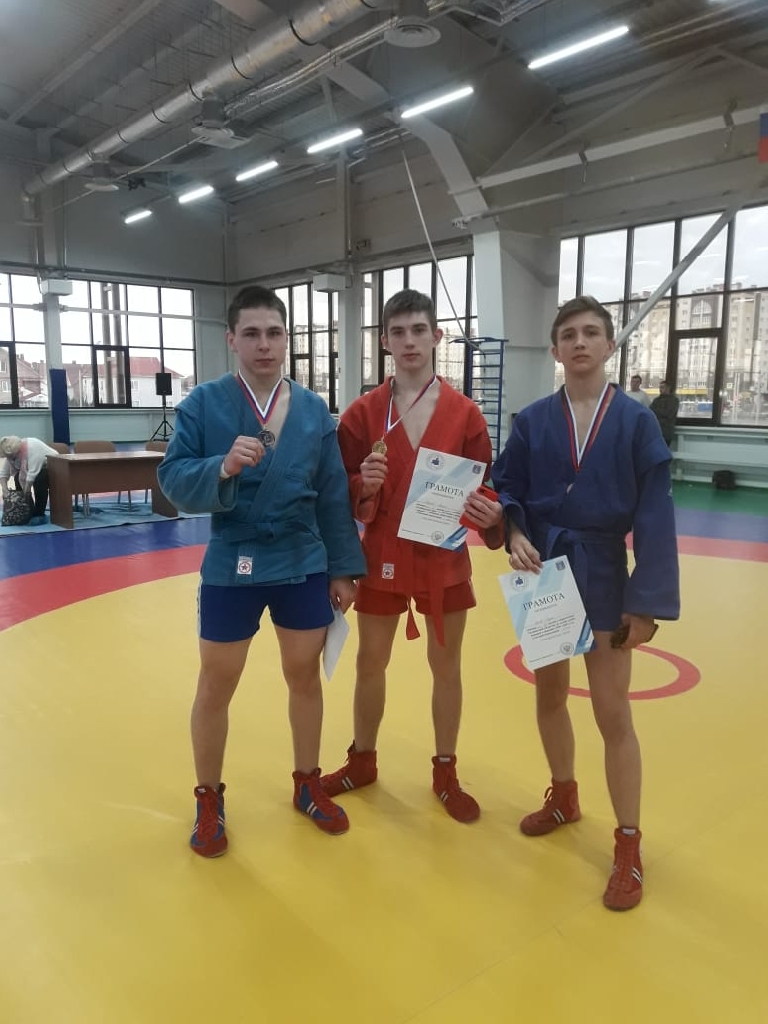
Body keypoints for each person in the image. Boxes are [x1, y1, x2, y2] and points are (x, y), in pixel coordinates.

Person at [157, 285, 367, 857]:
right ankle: (208, 797)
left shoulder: (313, 409)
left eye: (274, 333)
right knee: (216, 681)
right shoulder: (204, 403)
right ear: (232, 339)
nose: (264, 345)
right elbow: (171, 479)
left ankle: (307, 783)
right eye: (251, 333)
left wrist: (343, 567)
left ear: (286, 338)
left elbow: (332, 494)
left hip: (301, 556)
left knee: (304, 675)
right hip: (233, 556)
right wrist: (221, 466)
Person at [491, 295, 680, 911]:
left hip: (602, 571)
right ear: (554, 349)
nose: (579, 342)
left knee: (611, 711)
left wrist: (645, 602)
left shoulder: (636, 422)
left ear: (608, 345)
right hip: (545, 569)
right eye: (568, 334)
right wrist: (514, 531)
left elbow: (654, 515)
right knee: (549, 696)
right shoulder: (533, 420)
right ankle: (564, 795)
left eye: (591, 332)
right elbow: (507, 485)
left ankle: (628, 842)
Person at [320, 289, 504, 823]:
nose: (409, 342)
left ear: (436, 336)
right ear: (384, 341)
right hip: (381, 553)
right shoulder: (363, 413)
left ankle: (445, 770)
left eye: (419, 330)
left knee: (447, 667)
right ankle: (362, 760)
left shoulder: (465, 413)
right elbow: (336, 491)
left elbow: (484, 484)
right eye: (398, 332)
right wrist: (363, 482)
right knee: (369, 662)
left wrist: (485, 508)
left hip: (443, 557)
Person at [0, 435, 58, 525]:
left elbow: (32, 474)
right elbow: (3, 473)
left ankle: (39, 514)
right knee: (17, 478)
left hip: (53, 467)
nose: (10, 459)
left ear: (16, 452)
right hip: (34, 469)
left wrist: (26, 493)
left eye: (11, 457)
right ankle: (26, 511)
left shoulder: (32, 447)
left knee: (39, 479)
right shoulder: (12, 454)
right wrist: (5, 490)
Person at [650, 380, 680, 446]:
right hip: (655, 431)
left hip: (666, 431)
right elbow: (650, 411)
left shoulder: (674, 400)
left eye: (662, 387)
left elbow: (669, 414)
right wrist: (661, 412)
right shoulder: (656, 400)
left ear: (668, 388)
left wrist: (656, 411)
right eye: (660, 387)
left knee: (664, 450)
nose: (660, 389)